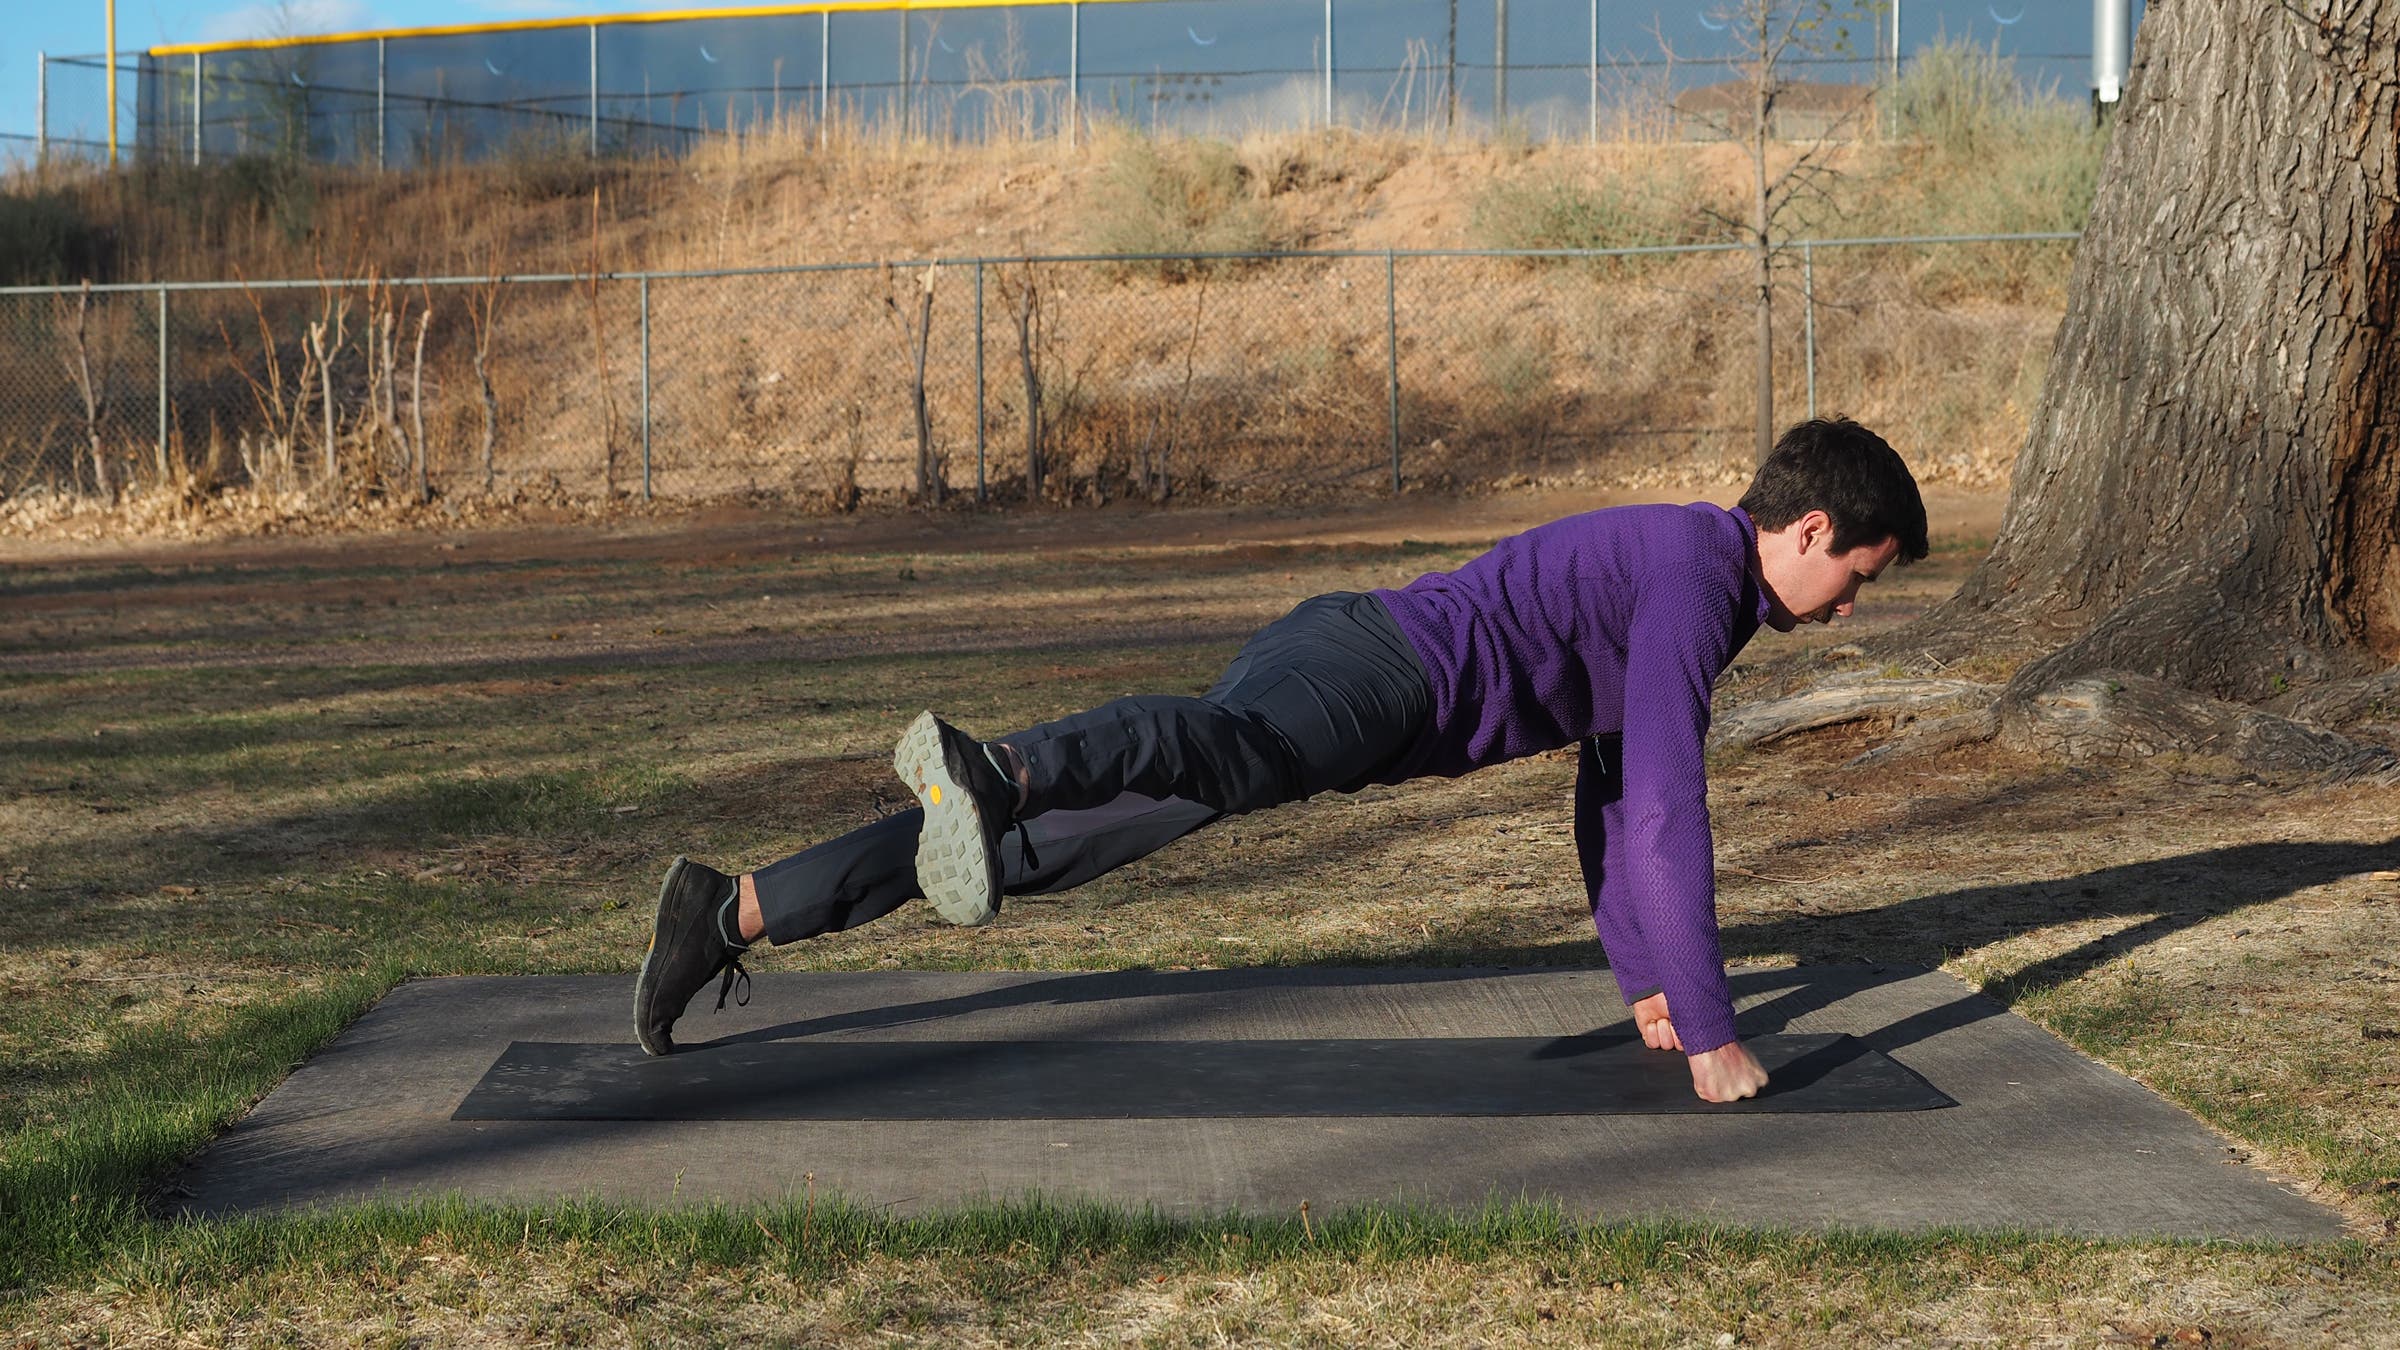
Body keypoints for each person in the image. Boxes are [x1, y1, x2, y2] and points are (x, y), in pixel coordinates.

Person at [634, 417, 1927, 1103]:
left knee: (1025, 859)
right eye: (1856, 578)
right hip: (1382, 675)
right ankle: (1007, 763)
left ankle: (731, 906)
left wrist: (1647, 980)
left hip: (1350, 655)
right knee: (1231, 757)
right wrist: (1709, 1028)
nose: (1850, 607)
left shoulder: (1688, 579)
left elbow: (1611, 790)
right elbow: (1667, 816)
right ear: (1811, 526)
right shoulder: (1698, 575)